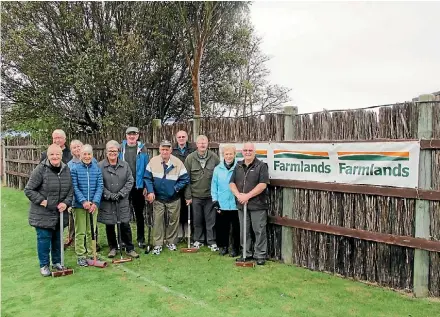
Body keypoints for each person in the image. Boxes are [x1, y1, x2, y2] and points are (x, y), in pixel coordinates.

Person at [24, 144, 73, 276]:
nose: (55, 156)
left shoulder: (66, 169)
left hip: (59, 213)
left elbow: (70, 190)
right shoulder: (40, 170)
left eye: (57, 154)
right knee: (44, 239)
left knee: (57, 238)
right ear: (48, 155)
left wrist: (65, 203)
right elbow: (29, 190)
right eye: (52, 154)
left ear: (61, 155)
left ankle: (57, 262)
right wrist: (42, 201)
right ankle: (44, 265)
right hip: (42, 213)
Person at [145, 140, 189, 255]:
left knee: (173, 221)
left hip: (174, 198)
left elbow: (185, 178)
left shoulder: (178, 162)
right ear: (160, 150)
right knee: (158, 221)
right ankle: (158, 244)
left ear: (170, 150)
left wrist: (175, 189)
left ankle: (171, 242)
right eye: (163, 149)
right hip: (158, 198)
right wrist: (150, 191)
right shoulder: (153, 161)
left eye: (167, 149)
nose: (165, 151)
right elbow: (147, 178)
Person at [229, 142, 269, 266]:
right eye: (245, 150)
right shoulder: (238, 166)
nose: (247, 152)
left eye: (250, 150)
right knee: (244, 231)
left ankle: (260, 255)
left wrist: (247, 196)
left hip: (257, 205)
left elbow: (263, 184)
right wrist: (239, 195)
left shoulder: (261, 166)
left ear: (254, 151)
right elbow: (232, 183)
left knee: (259, 230)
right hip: (242, 205)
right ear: (242, 151)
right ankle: (246, 253)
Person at [98, 140, 139, 259]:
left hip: (122, 200)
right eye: (110, 151)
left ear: (118, 152)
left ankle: (129, 248)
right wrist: (108, 194)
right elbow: (99, 183)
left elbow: (130, 180)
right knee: (110, 225)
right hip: (108, 201)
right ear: (106, 152)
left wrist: (121, 193)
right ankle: (113, 248)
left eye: (114, 151)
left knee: (125, 224)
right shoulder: (100, 166)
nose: (112, 153)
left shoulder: (124, 165)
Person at [184, 135, 220, 251]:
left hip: (210, 196)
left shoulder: (214, 158)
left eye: (205, 142)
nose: (202, 144)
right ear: (196, 144)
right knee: (197, 220)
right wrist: (188, 196)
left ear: (208, 144)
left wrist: (217, 195)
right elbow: (186, 179)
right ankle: (198, 240)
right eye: (200, 142)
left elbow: (219, 176)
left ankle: (211, 241)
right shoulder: (190, 158)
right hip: (195, 196)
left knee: (211, 221)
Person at [71, 145, 104, 266]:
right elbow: (74, 187)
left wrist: (95, 202)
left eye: (89, 154)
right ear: (80, 155)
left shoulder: (96, 169)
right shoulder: (75, 169)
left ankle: (92, 253)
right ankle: (81, 255)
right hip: (79, 206)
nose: (87, 156)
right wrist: (84, 201)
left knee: (92, 231)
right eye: (84, 154)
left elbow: (100, 186)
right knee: (81, 231)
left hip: (93, 206)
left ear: (92, 155)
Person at [119, 127, 149, 248]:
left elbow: (147, 168)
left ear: (138, 136)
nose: (132, 137)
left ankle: (141, 239)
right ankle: (123, 240)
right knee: (123, 214)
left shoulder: (143, 149)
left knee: (139, 214)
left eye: (134, 134)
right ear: (126, 136)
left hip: (138, 186)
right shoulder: (120, 148)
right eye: (129, 134)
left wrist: (146, 186)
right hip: (124, 186)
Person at [211, 144, 240, 257]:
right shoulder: (218, 169)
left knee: (236, 228)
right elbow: (214, 185)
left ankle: (235, 248)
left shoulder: (239, 167)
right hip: (222, 203)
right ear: (223, 155)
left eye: (231, 154)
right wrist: (215, 201)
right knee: (222, 227)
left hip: (235, 203)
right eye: (226, 154)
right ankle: (223, 246)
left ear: (234, 154)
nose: (228, 156)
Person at [171, 130, 195, 241]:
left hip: (190, 181)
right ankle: (180, 234)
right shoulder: (172, 150)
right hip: (177, 182)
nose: (181, 138)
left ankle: (188, 234)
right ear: (176, 138)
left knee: (188, 209)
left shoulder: (192, 149)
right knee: (178, 209)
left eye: (183, 136)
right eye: (179, 137)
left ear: (186, 137)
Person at [64, 139, 83, 248]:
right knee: (73, 221)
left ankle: (93, 242)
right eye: (74, 147)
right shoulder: (70, 165)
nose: (77, 149)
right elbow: (68, 183)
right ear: (71, 151)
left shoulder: (91, 160)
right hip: (74, 198)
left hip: (88, 197)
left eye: (78, 146)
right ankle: (73, 240)